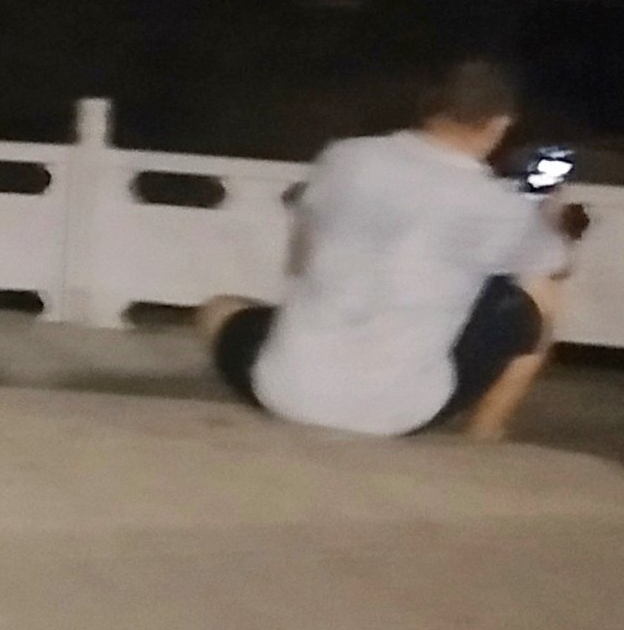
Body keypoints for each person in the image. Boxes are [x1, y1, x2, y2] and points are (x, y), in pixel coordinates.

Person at [199, 59, 572, 440]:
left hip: (283, 392)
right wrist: (547, 217)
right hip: (398, 414)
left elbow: (301, 257)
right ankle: (486, 430)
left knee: (219, 309)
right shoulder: (498, 204)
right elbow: (555, 263)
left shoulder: (344, 157)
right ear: (500, 123)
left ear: (428, 108)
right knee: (541, 293)